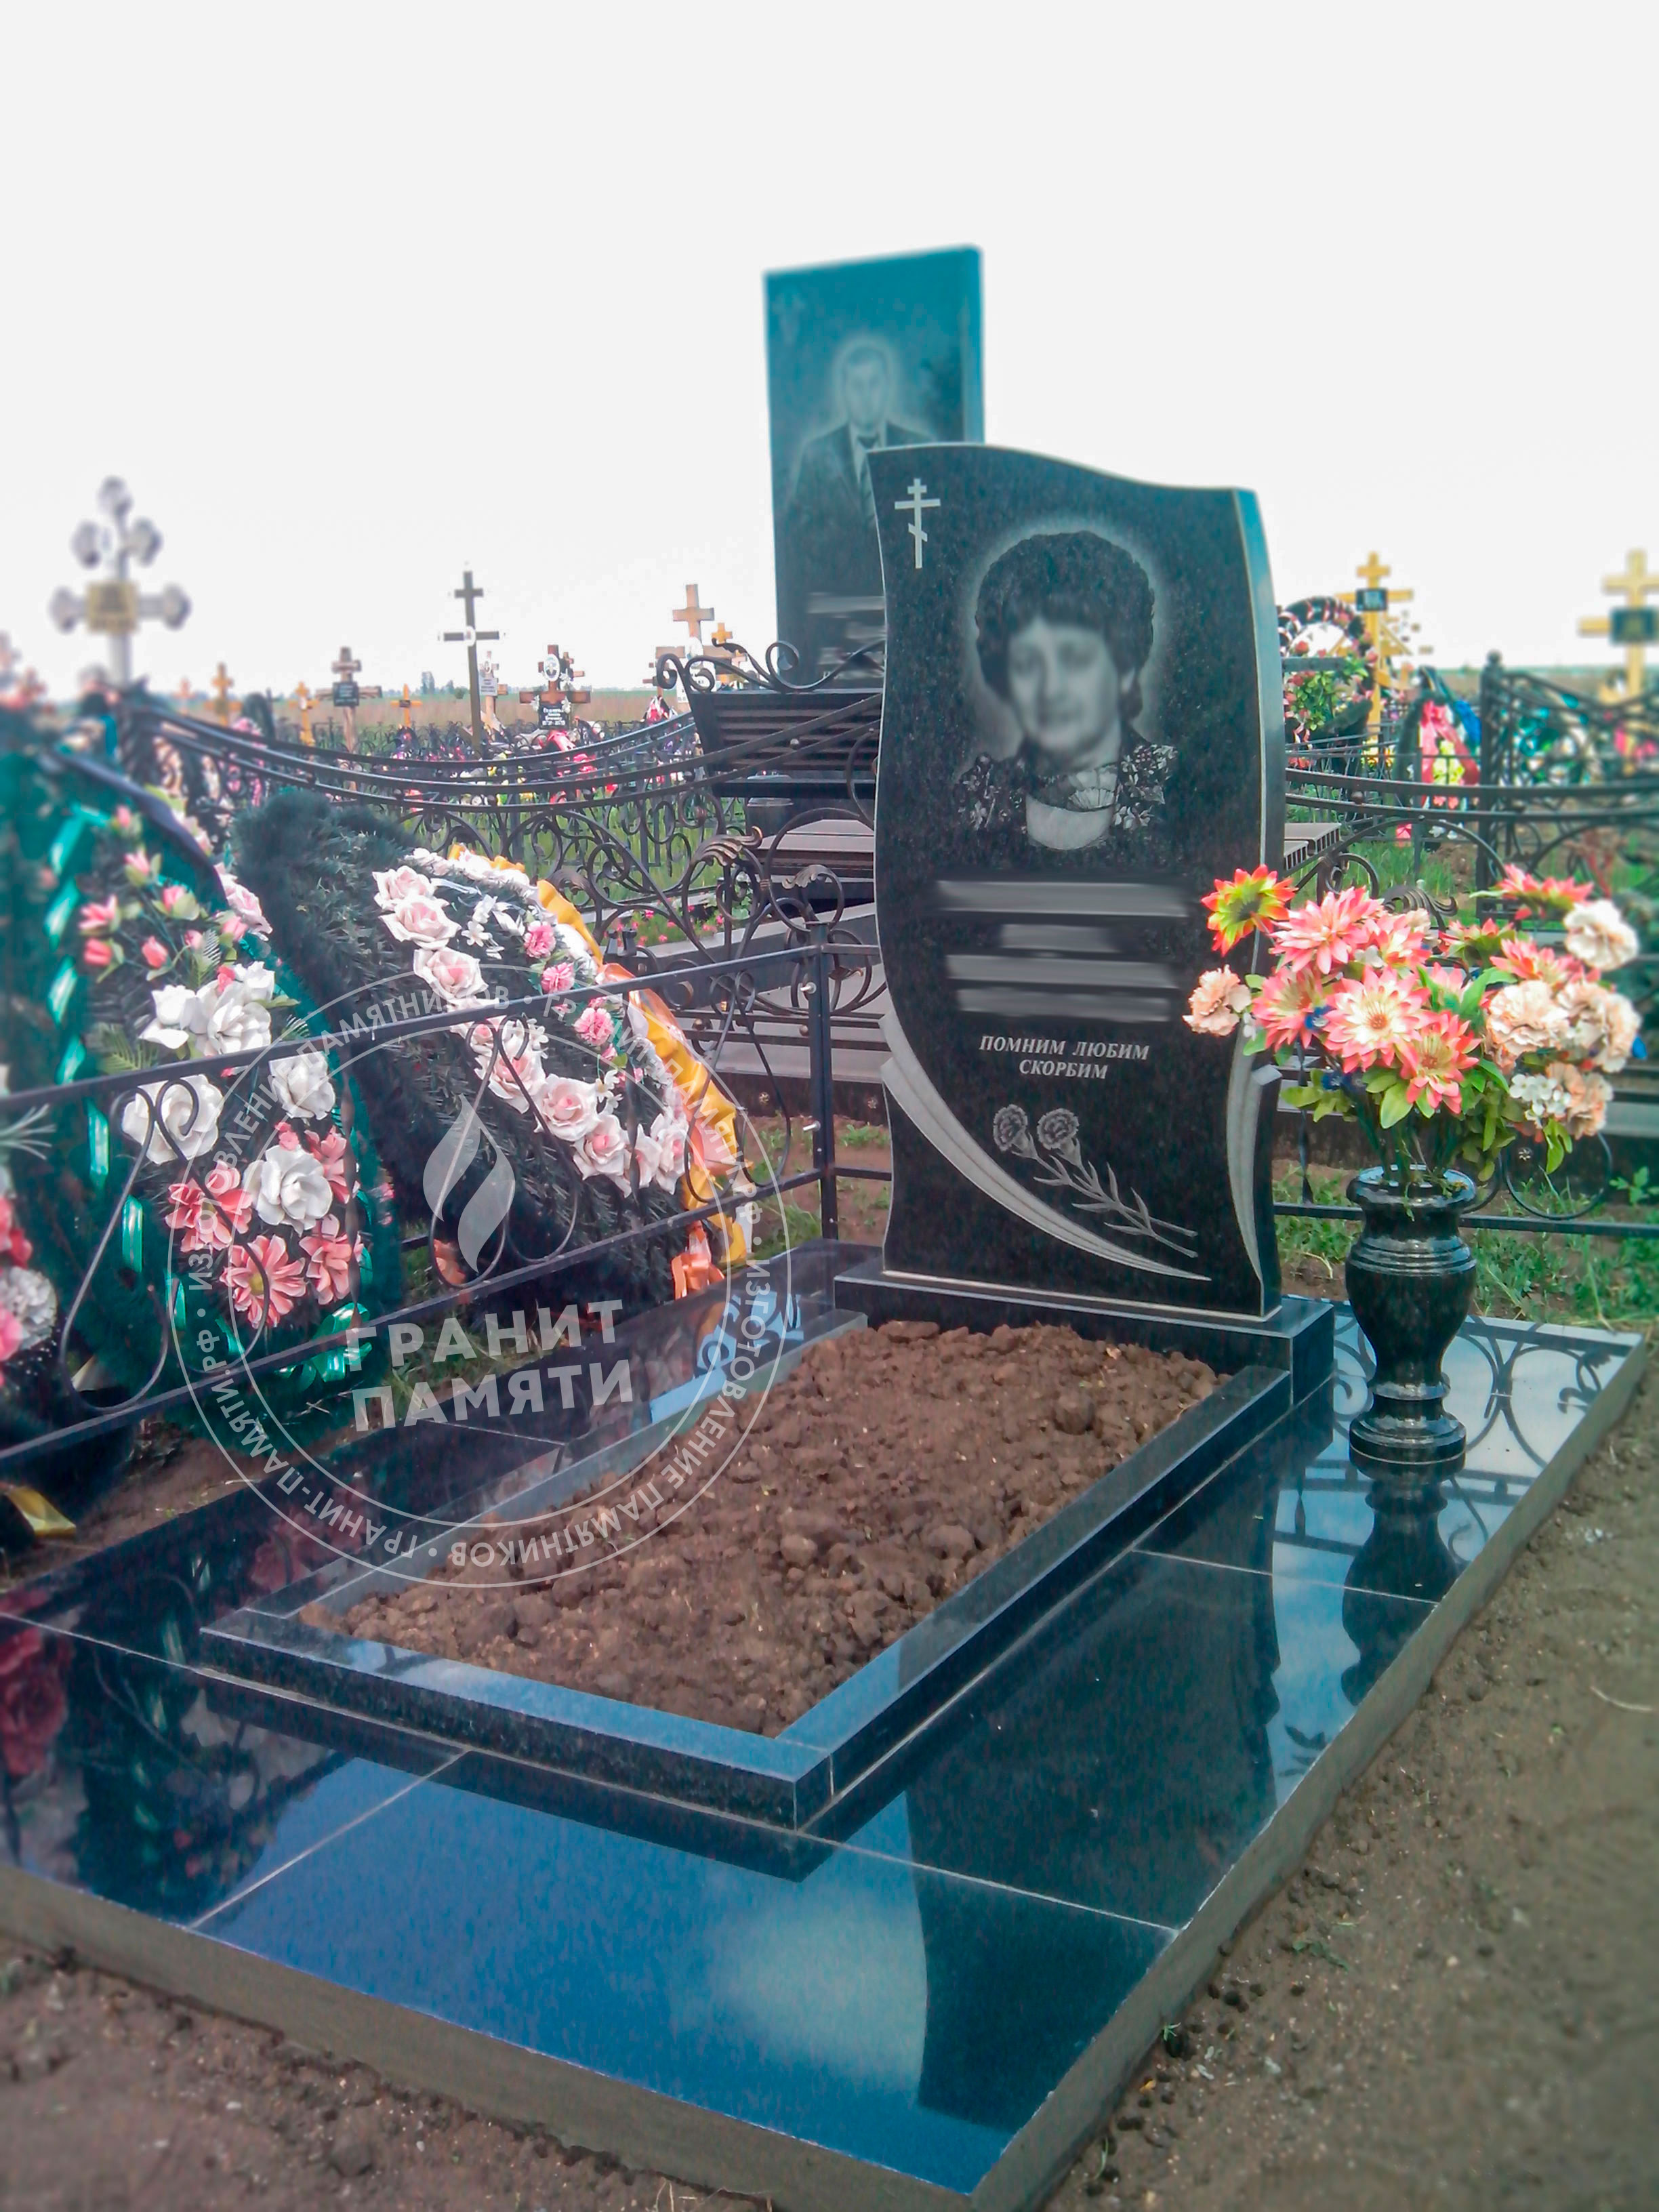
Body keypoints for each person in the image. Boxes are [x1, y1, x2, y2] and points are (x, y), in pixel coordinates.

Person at [958, 529, 1174, 857]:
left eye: (1074, 658)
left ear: (1126, 667)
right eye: (1027, 662)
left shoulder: (1179, 788)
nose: (1050, 687)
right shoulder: (981, 795)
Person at [783, 341, 930, 606]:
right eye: (857, 386)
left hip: (906, 602)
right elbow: (799, 538)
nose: (866, 396)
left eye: (874, 384)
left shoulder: (919, 449)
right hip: (835, 602)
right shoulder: (817, 455)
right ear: (844, 392)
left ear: (887, 388)